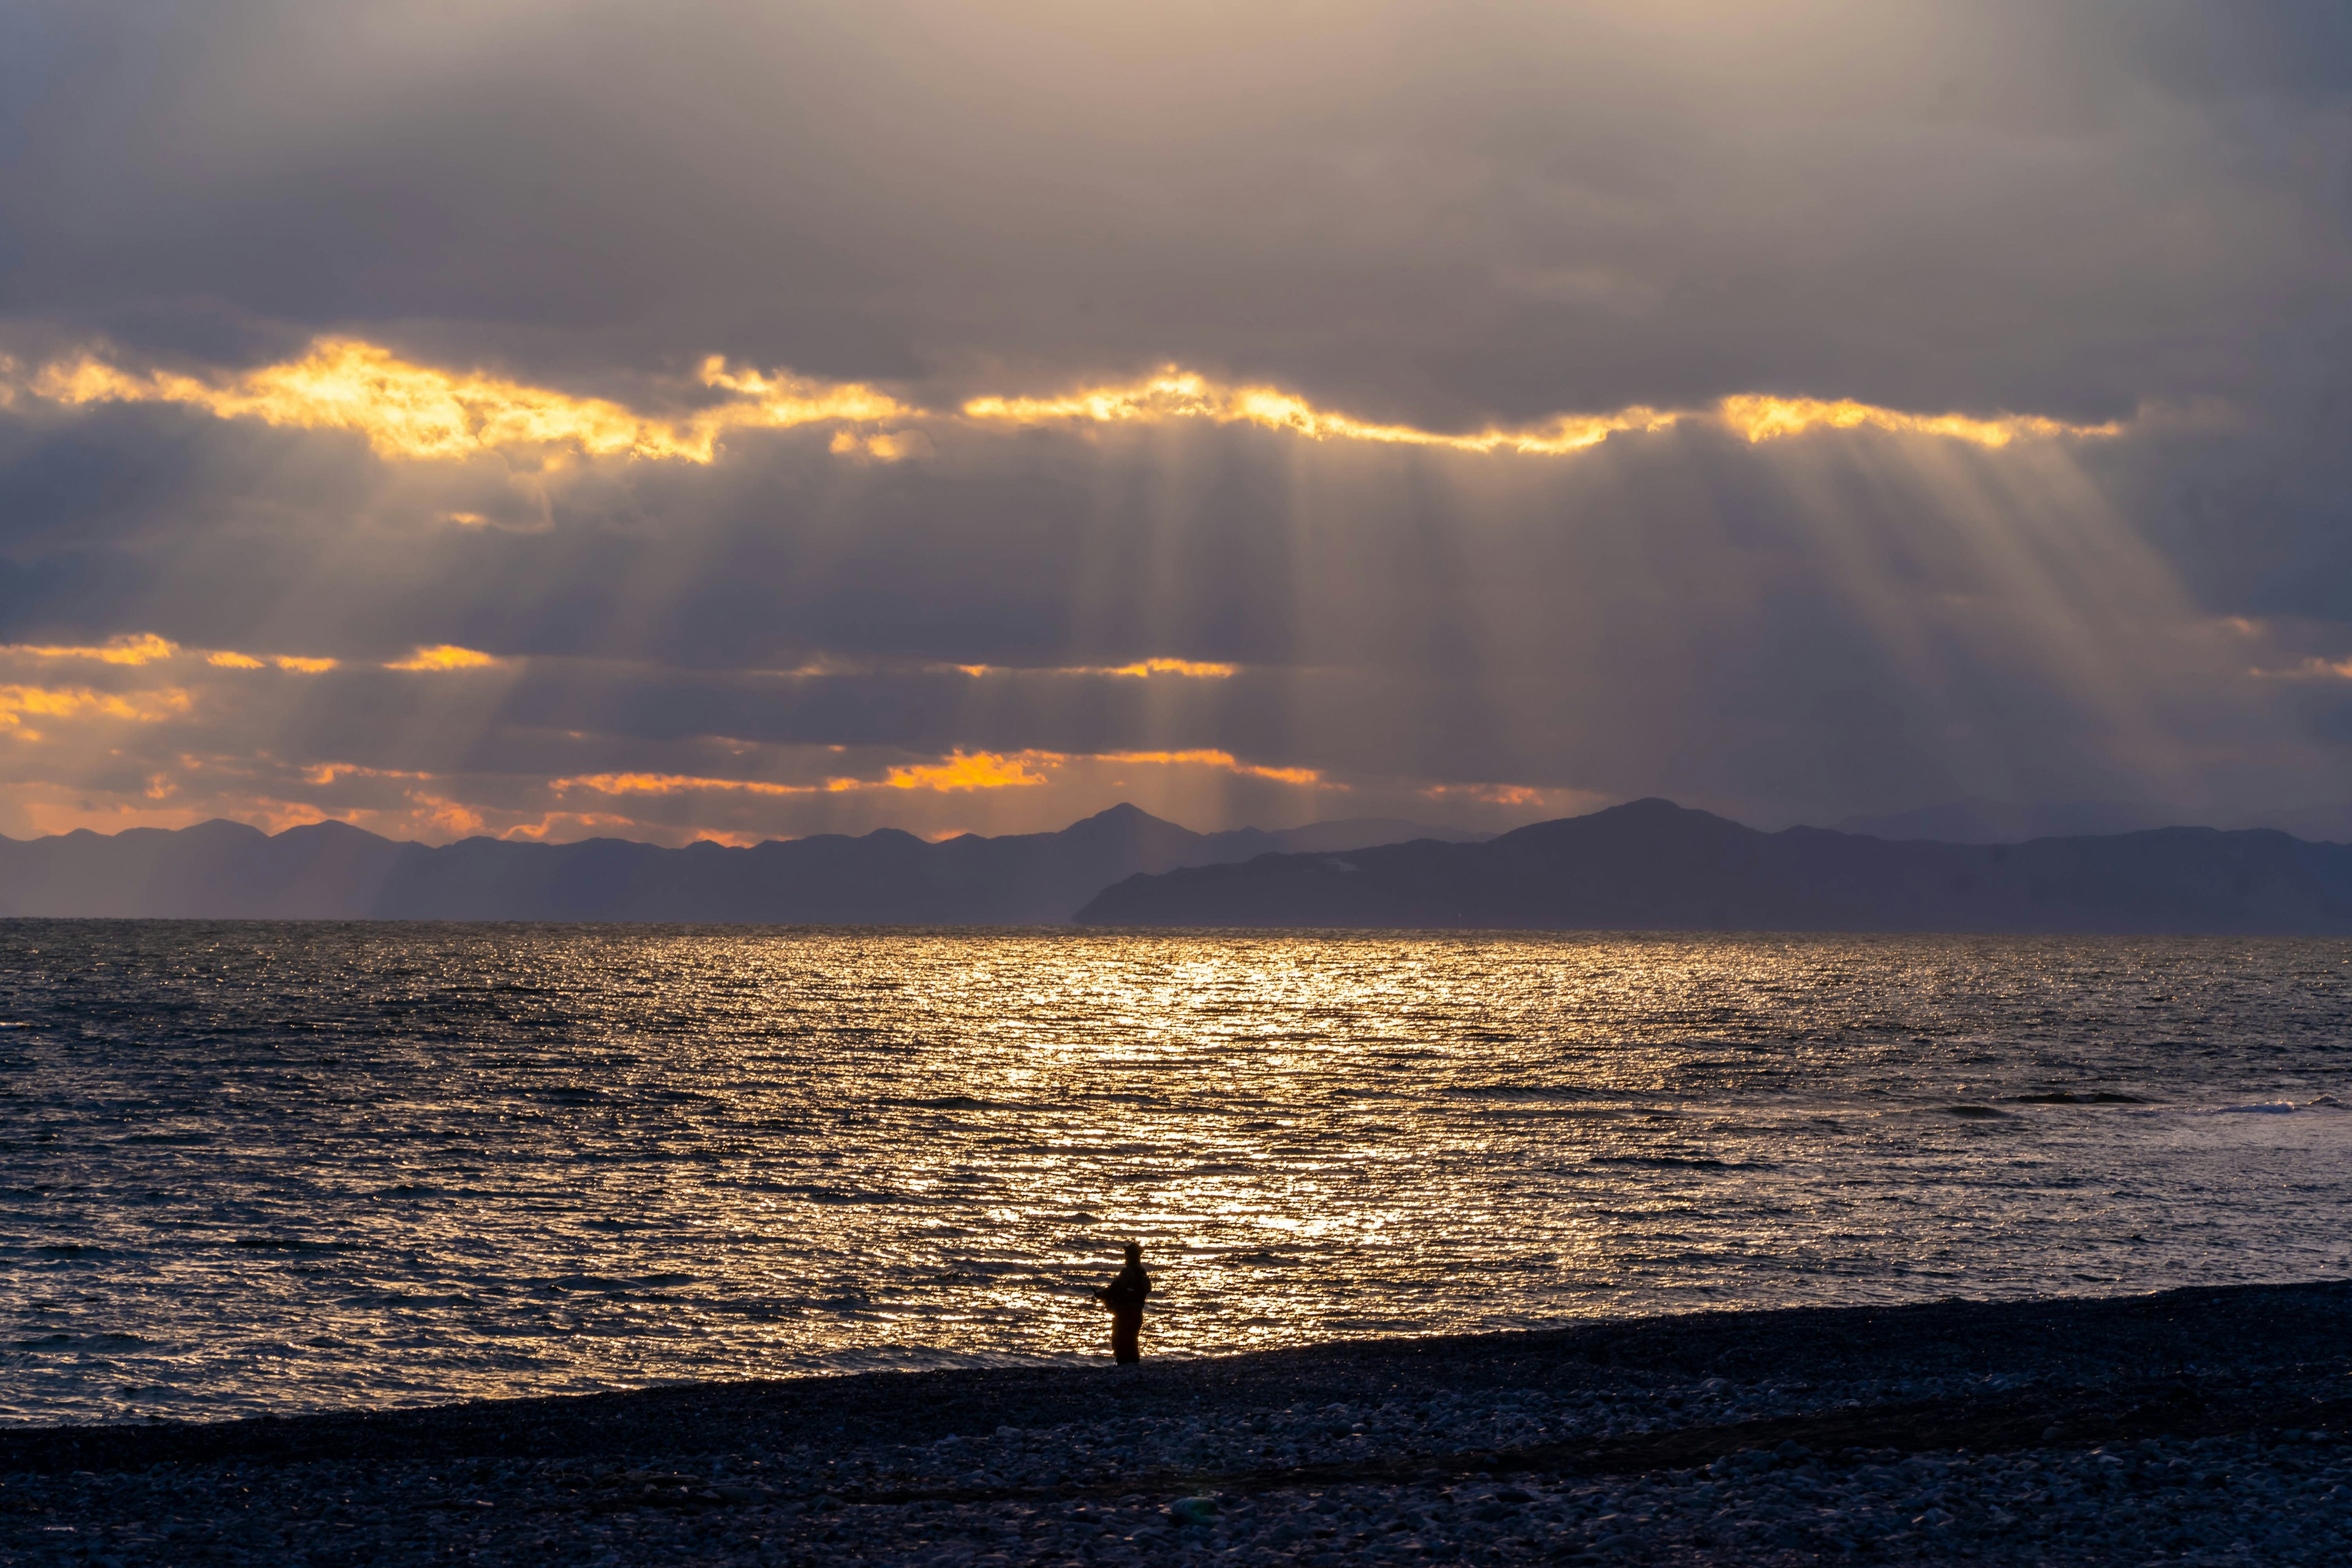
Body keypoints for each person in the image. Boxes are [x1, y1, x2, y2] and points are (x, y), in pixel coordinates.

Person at [1093, 1240, 1151, 1364]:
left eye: (1126, 1253)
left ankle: (1123, 1366)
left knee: (1121, 1341)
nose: (1125, 1256)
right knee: (1132, 1341)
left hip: (1125, 1314)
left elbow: (1114, 1289)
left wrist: (1100, 1295)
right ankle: (1133, 1367)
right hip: (1137, 1313)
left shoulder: (1127, 1272)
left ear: (1129, 1256)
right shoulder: (1142, 1272)